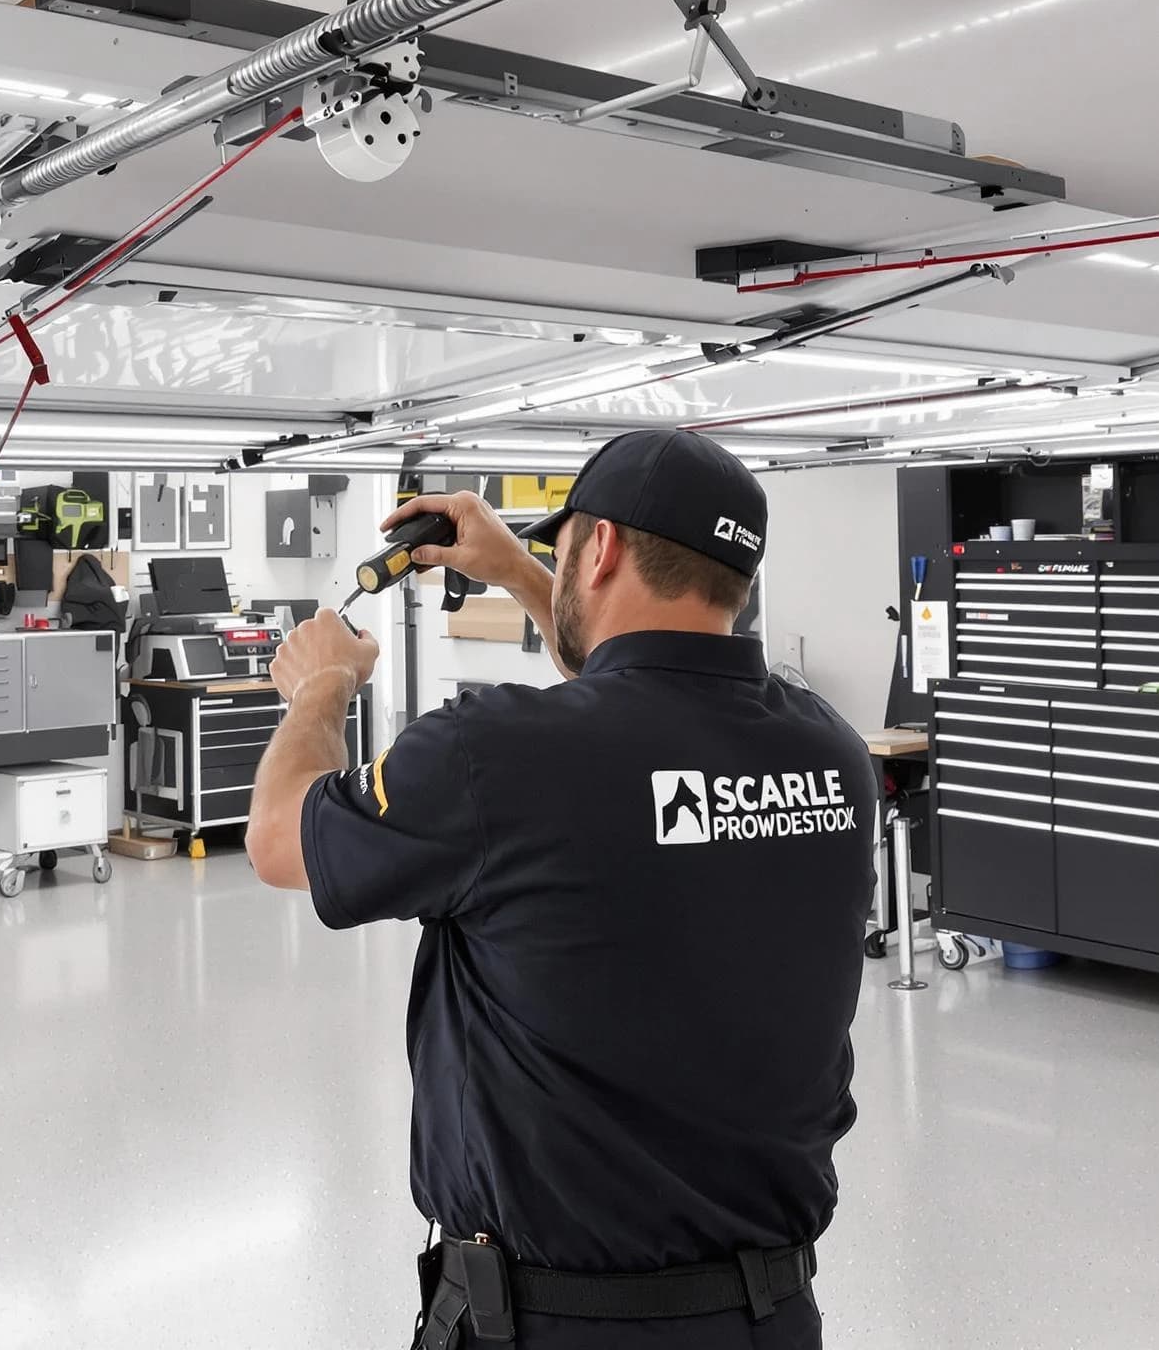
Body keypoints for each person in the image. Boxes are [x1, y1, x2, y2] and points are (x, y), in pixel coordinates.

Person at [247, 429, 877, 1349]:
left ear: (606, 547)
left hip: (554, 1323)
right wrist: (511, 564)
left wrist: (321, 687)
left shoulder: (491, 756)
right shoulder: (831, 752)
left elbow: (275, 838)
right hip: (771, 1316)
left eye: (564, 542)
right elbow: (640, 695)